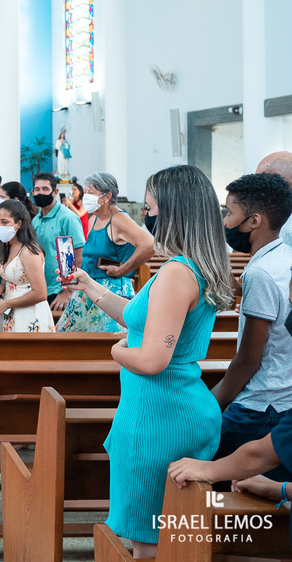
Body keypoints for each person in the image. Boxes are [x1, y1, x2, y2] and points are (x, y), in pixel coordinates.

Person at [67, 164, 234, 557]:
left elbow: (152, 360)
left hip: (159, 416)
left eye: (150, 208)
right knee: (171, 536)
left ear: (173, 211)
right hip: (174, 407)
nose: (146, 216)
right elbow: (138, 318)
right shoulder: (192, 265)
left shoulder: (177, 272)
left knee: (149, 544)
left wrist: (117, 350)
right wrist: (91, 286)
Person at [211, 173, 292, 462]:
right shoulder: (285, 258)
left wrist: (211, 407)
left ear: (254, 221)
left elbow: (248, 360)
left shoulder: (261, 273)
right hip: (285, 398)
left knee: (191, 452)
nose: (225, 222)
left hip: (260, 407)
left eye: (229, 213)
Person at [57, 172, 153, 332]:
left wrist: (123, 269)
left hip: (111, 292)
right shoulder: (94, 217)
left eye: (90, 192)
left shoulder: (119, 219)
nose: (86, 196)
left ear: (107, 196)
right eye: (85, 191)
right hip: (88, 290)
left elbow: (148, 244)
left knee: (103, 341)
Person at [0, 200, 53, 332]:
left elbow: (41, 293)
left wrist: (7, 303)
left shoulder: (30, 251)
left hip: (29, 314)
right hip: (10, 311)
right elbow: (14, 272)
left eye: (5, 222)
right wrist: (2, 286)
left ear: (19, 224)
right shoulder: (8, 245)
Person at [31, 172, 85, 307]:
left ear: (55, 192)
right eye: (37, 189)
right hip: (40, 289)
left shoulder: (67, 218)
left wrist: (68, 292)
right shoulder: (36, 220)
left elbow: (77, 257)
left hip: (59, 291)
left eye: (45, 189)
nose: (40, 193)